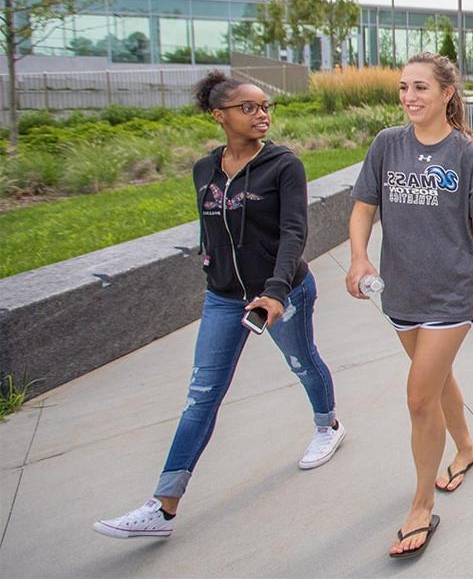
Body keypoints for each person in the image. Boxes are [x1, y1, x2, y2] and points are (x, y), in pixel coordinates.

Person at [93, 71, 345, 539]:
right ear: (219, 115)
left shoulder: (284, 165)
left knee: (303, 362)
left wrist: (274, 290)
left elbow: (294, 232)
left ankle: (327, 424)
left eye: (266, 106)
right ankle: (162, 506)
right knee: (202, 395)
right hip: (225, 299)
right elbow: (210, 227)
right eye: (249, 107)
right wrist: (212, 269)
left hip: (281, 292)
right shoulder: (204, 169)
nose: (262, 114)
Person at [346, 52, 473, 559]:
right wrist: (358, 258)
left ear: (446, 93)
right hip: (399, 292)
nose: (409, 97)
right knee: (436, 381)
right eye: (403, 87)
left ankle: (420, 505)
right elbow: (362, 208)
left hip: (450, 294)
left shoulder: (468, 155)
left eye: (420, 87)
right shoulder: (387, 145)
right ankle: (465, 447)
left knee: (420, 396)